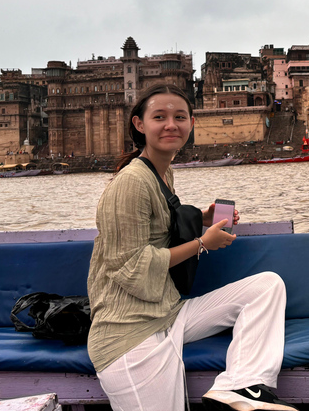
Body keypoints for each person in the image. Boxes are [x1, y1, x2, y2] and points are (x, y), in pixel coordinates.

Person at [87, 84, 296, 411]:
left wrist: (202, 217)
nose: (171, 124)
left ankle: (241, 387)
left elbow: (159, 224)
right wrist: (201, 243)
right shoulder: (130, 183)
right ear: (139, 124)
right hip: (128, 334)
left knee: (267, 286)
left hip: (168, 312)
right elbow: (131, 267)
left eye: (179, 117)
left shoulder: (162, 172)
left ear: (192, 123)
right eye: (160, 117)